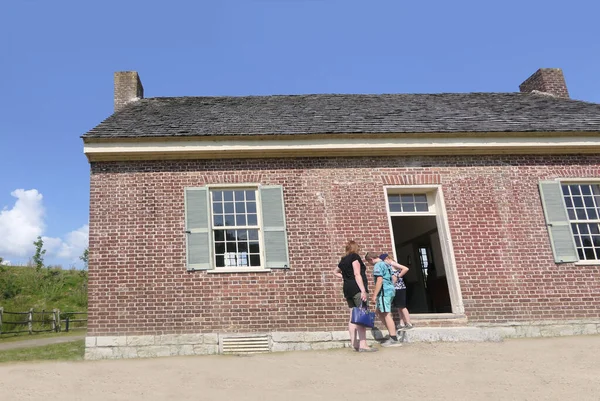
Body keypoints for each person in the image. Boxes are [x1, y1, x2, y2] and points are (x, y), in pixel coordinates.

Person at [334, 241, 377, 352]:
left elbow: (335, 272)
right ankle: (363, 345)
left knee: (353, 316)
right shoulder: (354, 257)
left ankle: (354, 344)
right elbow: (357, 274)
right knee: (362, 315)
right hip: (357, 289)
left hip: (347, 289)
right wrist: (363, 290)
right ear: (355, 248)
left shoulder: (343, 260)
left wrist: (346, 277)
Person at [364, 252, 401, 347]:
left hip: (384, 292)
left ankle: (393, 338)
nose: (370, 264)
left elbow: (379, 281)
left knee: (386, 314)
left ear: (371, 259)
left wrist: (374, 295)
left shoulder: (378, 265)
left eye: (369, 262)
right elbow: (394, 277)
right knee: (379, 312)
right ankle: (391, 333)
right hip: (390, 290)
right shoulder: (387, 264)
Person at [380, 253, 414, 333]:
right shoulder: (388, 265)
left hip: (399, 288)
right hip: (394, 288)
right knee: (399, 306)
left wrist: (398, 276)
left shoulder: (392, 263)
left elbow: (405, 268)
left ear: (387, 259)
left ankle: (409, 323)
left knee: (402, 306)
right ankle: (402, 323)